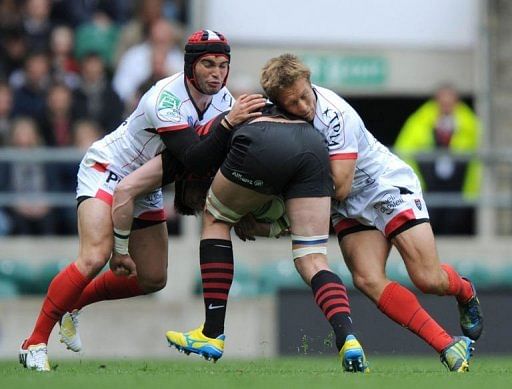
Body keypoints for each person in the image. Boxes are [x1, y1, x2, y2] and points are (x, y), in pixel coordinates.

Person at [18, 29, 266, 372]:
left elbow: (211, 161)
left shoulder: (223, 101)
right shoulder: (165, 98)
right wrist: (229, 124)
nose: (216, 73)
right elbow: (194, 157)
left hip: (146, 183)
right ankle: (34, 343)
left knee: (152, 278)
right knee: (95, 256)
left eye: (223, 65)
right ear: (190, 66)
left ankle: (73, 305)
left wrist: (243, 208)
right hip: (108, 169)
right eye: (208, 63)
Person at [255, 54, 482, 372]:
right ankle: (446, 344)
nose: (303, 107)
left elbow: (343, 185)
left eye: (305, 96)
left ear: (309, 83)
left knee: (427, 279)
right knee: (366, 278)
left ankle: (465, 290)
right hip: (345, 204)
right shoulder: (275, 120)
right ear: (277, 103)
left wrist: (286, 213)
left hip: (383, 187)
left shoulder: (333, 114)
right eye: (292, 103)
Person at [165, 106, 369, 373]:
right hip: (312, 146)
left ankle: (212, 333)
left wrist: (231, 214)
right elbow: (281, 224)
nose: (202, 203)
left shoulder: (204, 142)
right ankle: (348, 338)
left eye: (196, 199)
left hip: (262, 140)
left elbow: (206, 173)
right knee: (313, 260)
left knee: (215, 219)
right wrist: (251, 219)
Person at [394, 85, 481, 235]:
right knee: (429, 219)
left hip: (458, 183)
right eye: (442, 102)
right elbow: (403, 149)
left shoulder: (469, 122)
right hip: (429, 181)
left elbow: (479, 152)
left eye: (450, 102)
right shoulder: (420, 120)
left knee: (456, 221)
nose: (446, 106)